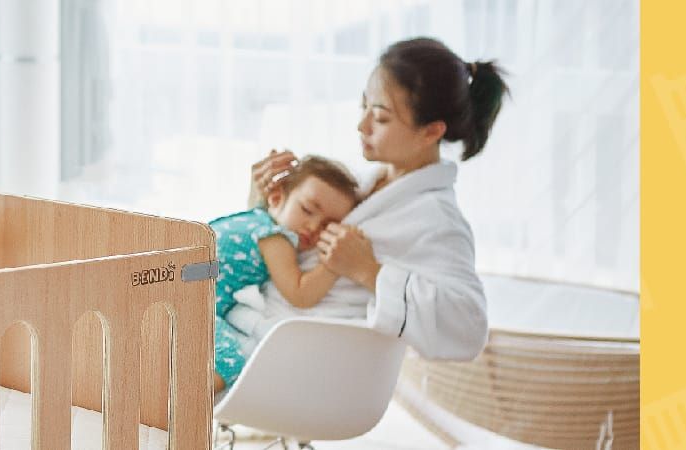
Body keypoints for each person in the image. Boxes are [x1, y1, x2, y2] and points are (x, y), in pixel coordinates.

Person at [218, 36, 510, 391]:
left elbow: (469, 329)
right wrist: (267, 207)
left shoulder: (436, 220)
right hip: (251, 329)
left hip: (297, 365)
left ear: (431, 131)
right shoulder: (362, 185)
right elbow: (290, 255)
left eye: (381, 117)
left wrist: (367, 270)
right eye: (364, 106)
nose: (362, 125)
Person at [206, 155, 361, 389]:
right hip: (190, 302)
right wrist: (335, 262)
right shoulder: (274, 237)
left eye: (327, 226)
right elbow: (300, 294)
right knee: (229, 361)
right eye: (307, 210)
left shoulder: (253, 220)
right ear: (277, 198)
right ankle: (176, 405)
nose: (313, 227)